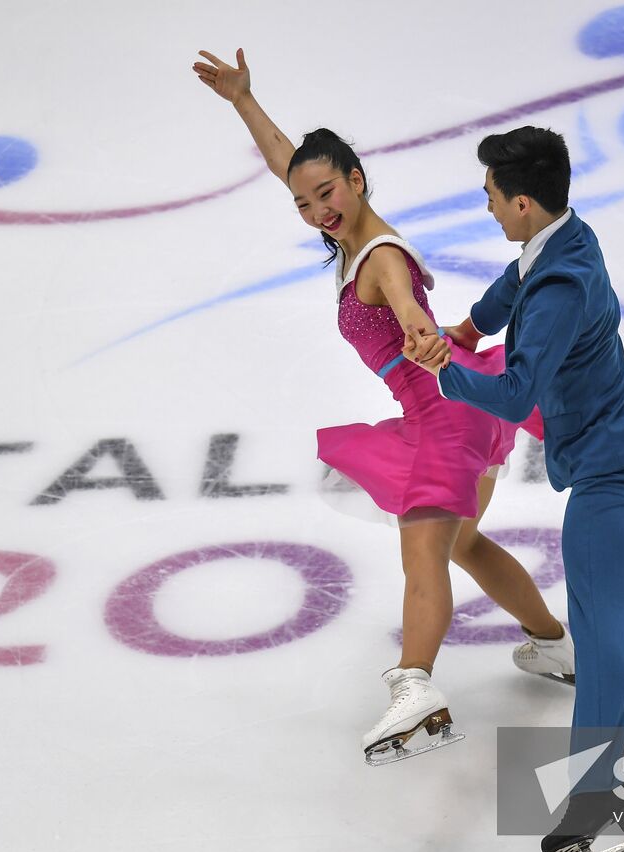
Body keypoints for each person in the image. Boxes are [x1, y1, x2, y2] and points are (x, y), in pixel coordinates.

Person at [191, 50, 573, 764]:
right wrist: (244, 99)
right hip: (463, 400)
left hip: (445, 414)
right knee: (461, 543)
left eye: (327, 194)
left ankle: (415, 686)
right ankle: (552, 644)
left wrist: (422, 334)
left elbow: (403, 303)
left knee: (424, 551)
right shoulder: (348, 225)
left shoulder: (380, 256)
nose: (316, 210)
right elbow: (291, 161)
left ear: (357, 181)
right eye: (304, 201)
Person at [407, 127, 624, 852]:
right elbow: (516, 279)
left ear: (523, 201)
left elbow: (519, 389)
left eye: (493, 196)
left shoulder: (559, 287)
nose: (488, 206)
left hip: (614, 479)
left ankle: (599, 798)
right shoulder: (565, 239)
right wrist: (467, 327)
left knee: (597, 633)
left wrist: (441, 369)